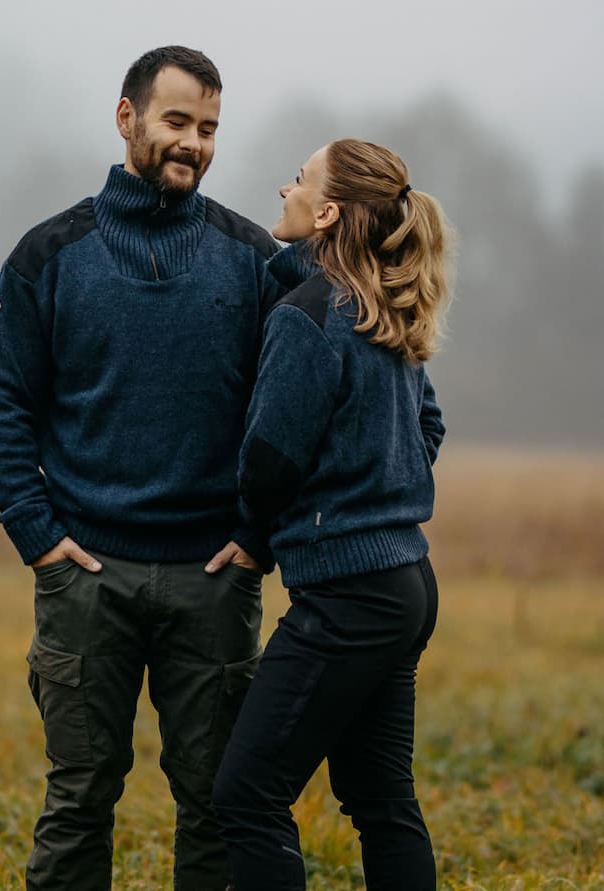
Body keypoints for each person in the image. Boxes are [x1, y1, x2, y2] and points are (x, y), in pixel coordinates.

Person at [0, 46, 283, 891]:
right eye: (177, 120)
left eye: (209, 128)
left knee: (216, 800)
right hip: (85, 576)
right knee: (79, 796)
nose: (193, 143)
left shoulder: (254, 259)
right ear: (126, 117)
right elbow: (4, 401)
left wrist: (258, 537)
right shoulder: (48, 255)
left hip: (214, 576)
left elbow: (293, 405)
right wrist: (37, 536)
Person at [212, 138, 451, 890]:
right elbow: (429, 427)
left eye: (299, 179)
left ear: (326, 213)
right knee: (381, 800)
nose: (285, 188)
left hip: (350, 598)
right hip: (407, 582)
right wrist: (378, 491)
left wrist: (257, 531)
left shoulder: (307, 316)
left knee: (246, 795)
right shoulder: (379, 306)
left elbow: (269, 460)